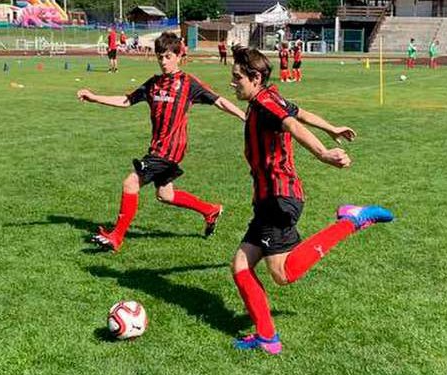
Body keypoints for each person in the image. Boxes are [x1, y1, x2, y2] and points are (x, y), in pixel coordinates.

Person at [226, 47, 394, 355]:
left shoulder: (264, 104)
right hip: (269, 198)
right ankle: (267, 338)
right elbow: (299, 113)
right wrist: (331, 128)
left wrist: (323, 154)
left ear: (255, 78)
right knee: (241, 265)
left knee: (283, 272)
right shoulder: (268, 98)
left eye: (237, 77)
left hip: (279, 197)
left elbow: (293, 124)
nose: (232, 83)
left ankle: (351, 221)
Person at [76, 33, 248, 252]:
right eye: (160, 57)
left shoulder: (188, 83)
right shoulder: (153, 84)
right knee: (165, 194)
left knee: (130, 183)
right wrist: (95, 97)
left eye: (168, 56)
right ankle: (210, 210)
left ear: (179, 55)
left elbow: (219, 101)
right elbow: (126, 100)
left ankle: (116, 237)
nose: (164, 62)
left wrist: (243, 116)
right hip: (158, 149)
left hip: (169, 151)